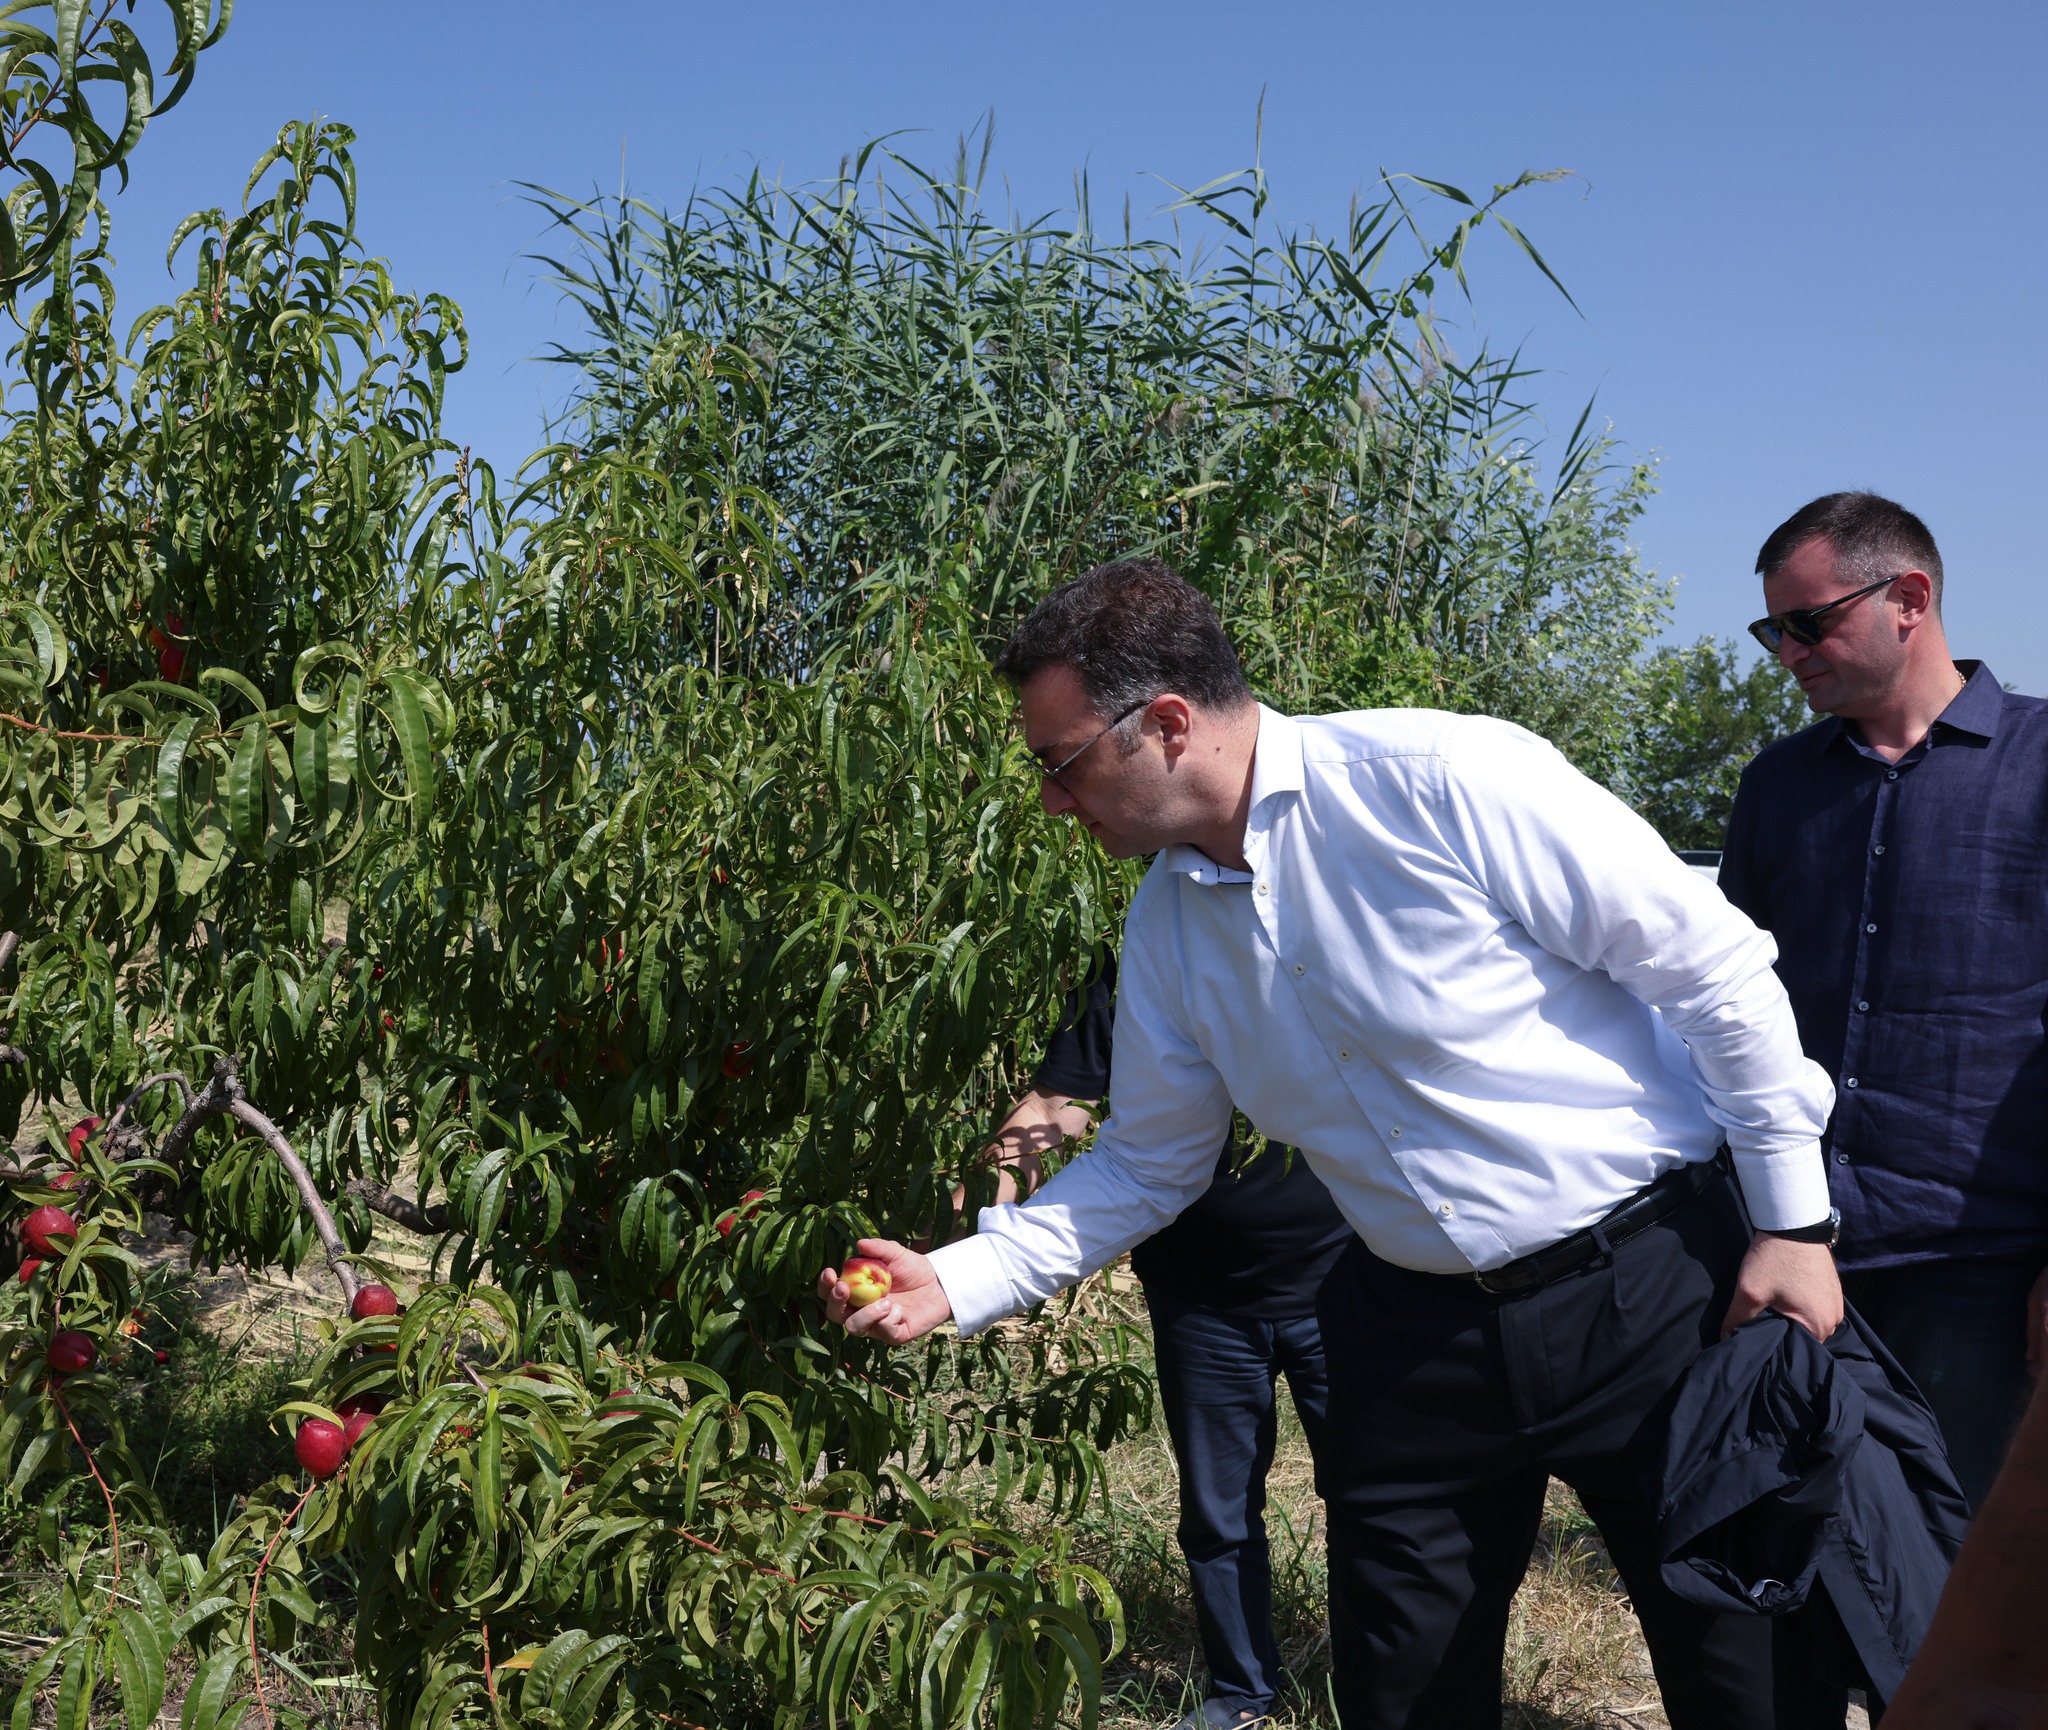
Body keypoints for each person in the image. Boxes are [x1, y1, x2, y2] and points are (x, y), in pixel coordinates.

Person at [819, 557, 1845, 1730]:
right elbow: (1150, 1162)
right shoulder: (1165, 928)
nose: (1053, 801)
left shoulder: (1443, 779)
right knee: (1399, 1693)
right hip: (1411, 1335)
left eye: (1061, 762)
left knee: (1747, 1674)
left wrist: (1790, 1222)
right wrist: (954, 1277)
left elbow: (1713, 974)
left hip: (1650, 1295)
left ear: (1166, 724)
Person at [1719, 492, 2048, 1510]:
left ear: (1908, 598)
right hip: (1793, 1240)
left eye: (1806, 622)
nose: (1787, 653)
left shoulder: (2039, 767)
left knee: (1954, 1551)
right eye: (1771, 631)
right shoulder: (1776, 786)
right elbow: (1727, 1003)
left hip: (1979, 1265)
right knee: (1796, 1544)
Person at [969, 950, 1353, 1730]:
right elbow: (1059, 1100)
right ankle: (1241, 1695)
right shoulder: (1145, 947)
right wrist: (969, 1222)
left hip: (1348, 1282)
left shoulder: (1326, 936)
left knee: (1372, 1498)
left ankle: (1379, 1688)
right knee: (1218, 1511)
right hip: (1199, 1293)